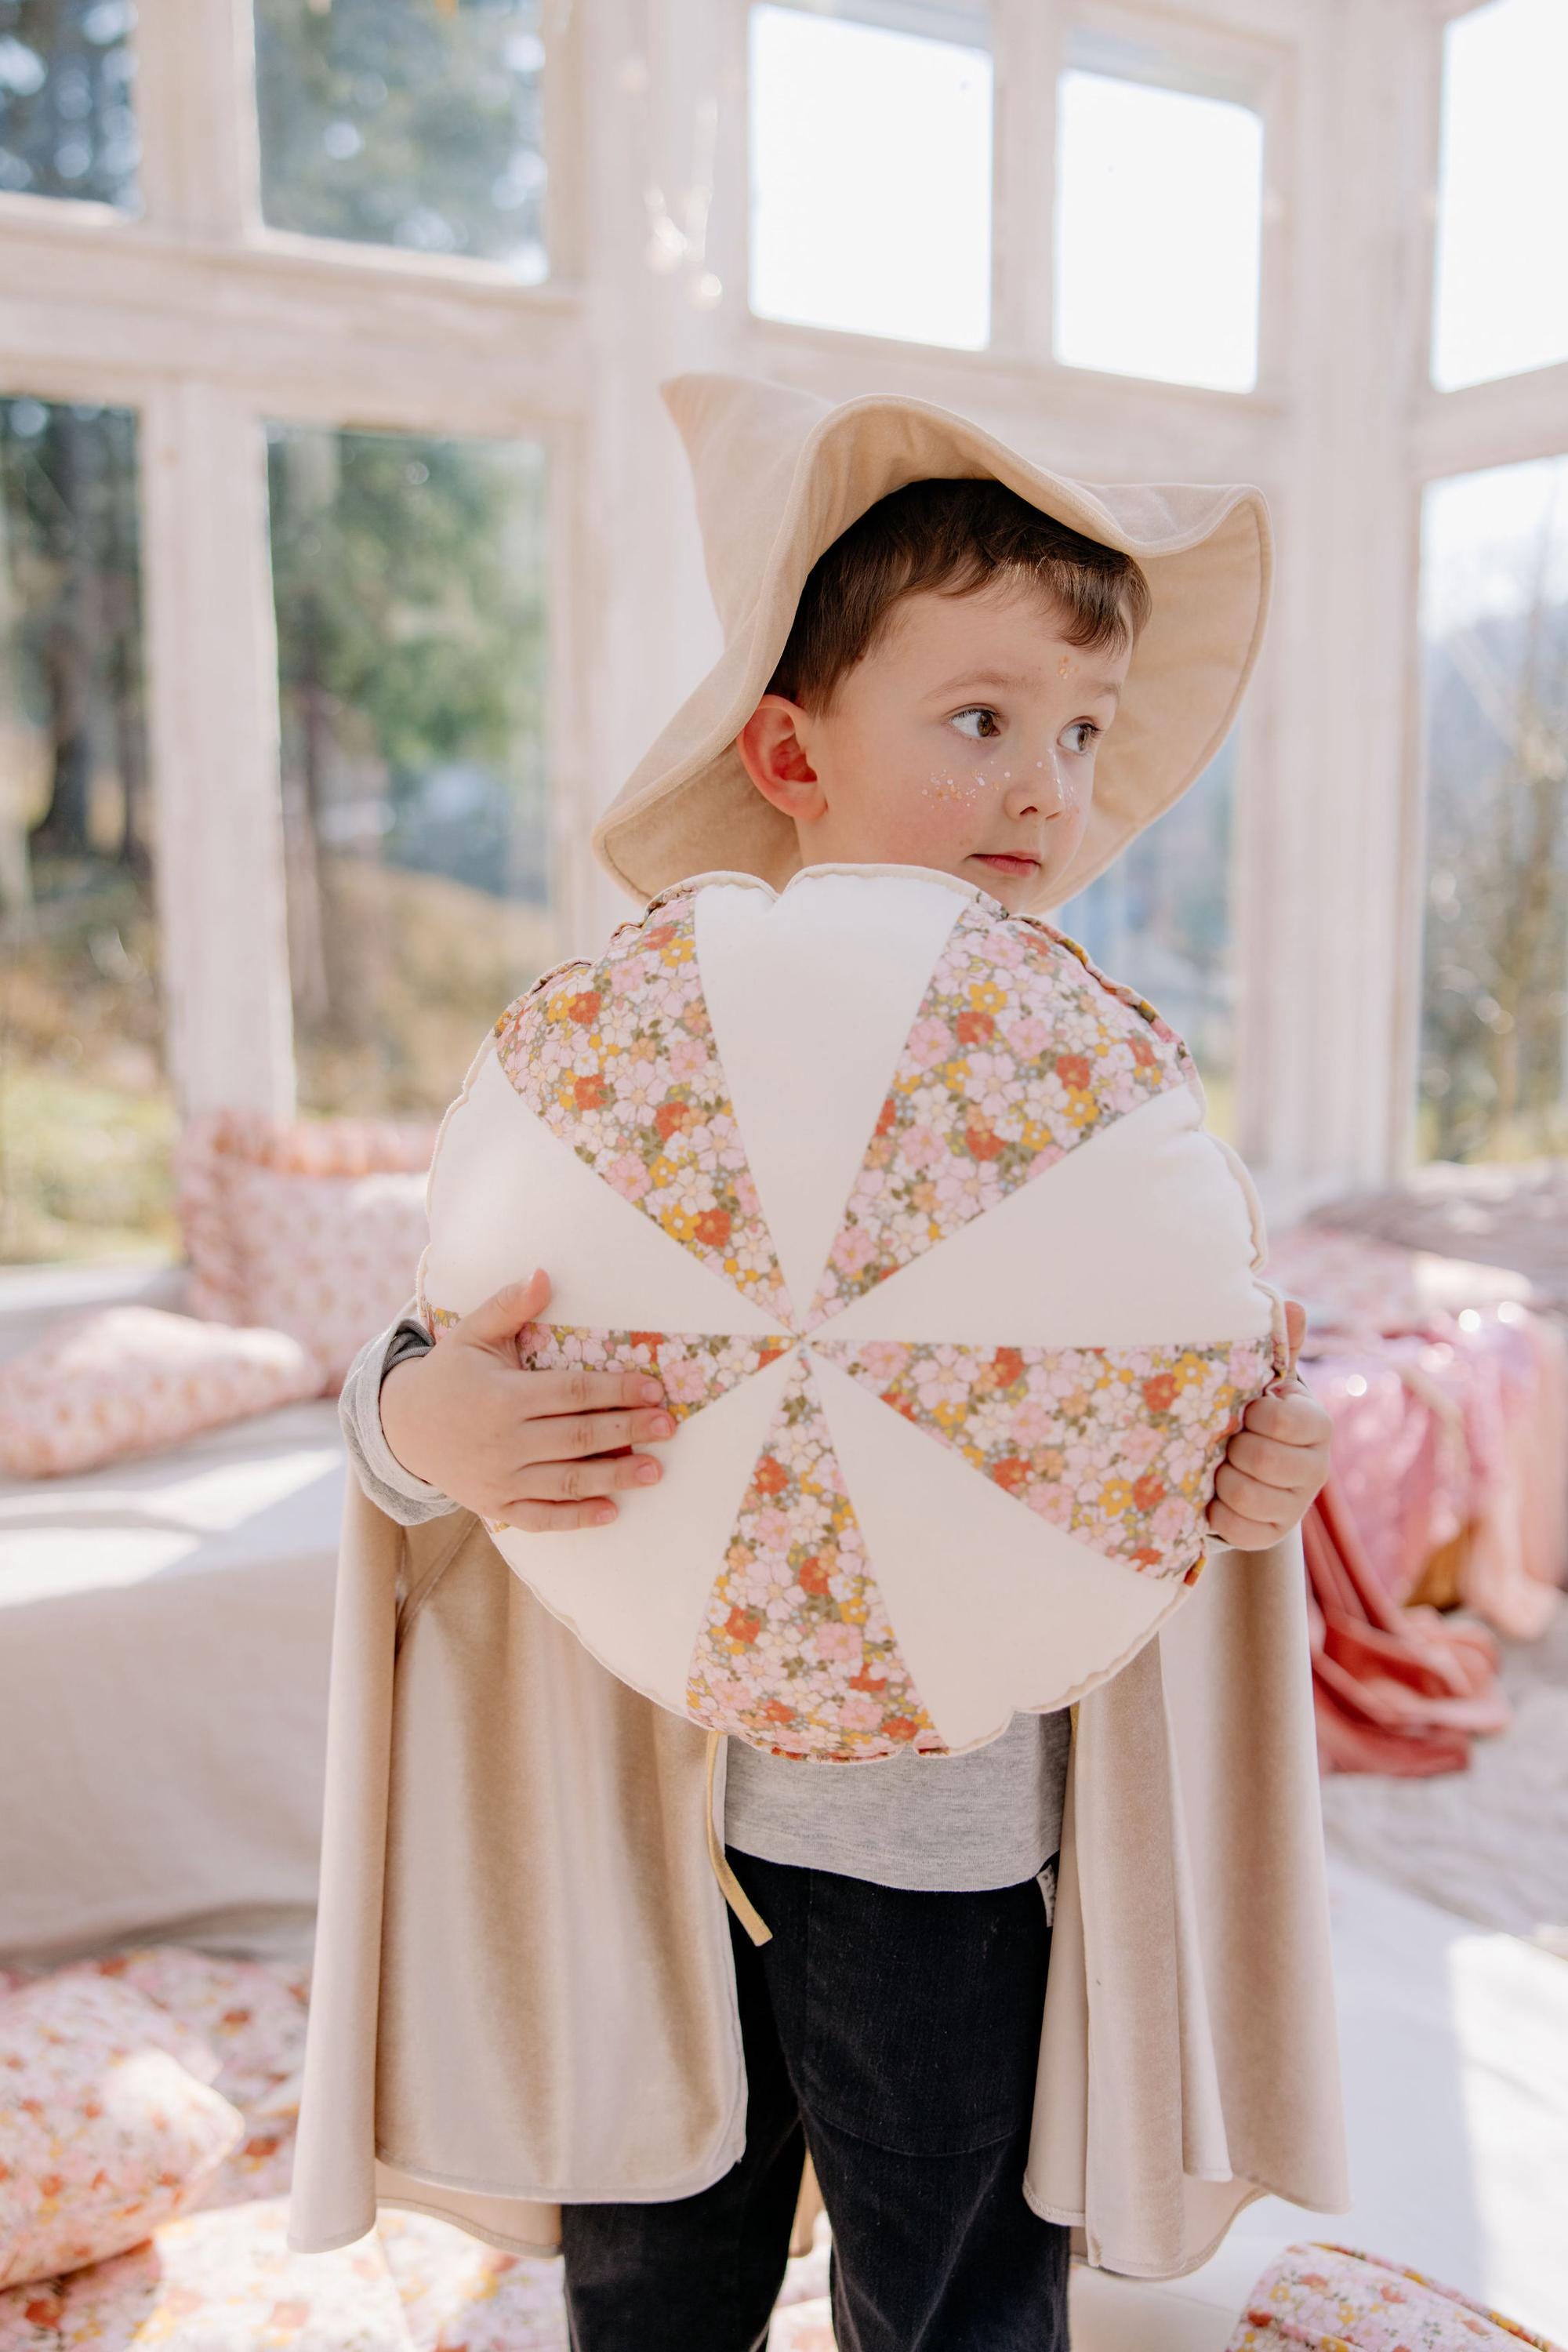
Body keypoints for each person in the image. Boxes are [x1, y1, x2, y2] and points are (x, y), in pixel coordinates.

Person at [289, 372, 1348, 2351]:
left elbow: (1195, 1408)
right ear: (789, 748)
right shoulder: (633, 1055)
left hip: (955, 1864)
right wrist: (422, 1415)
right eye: (979, 721)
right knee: (655, 2281)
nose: (1050, 785)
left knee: (948, 2287)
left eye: (1086, 733)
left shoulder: (1089, 1090)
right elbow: (430, 1372)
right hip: (644, 1834)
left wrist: (1257, 1486)